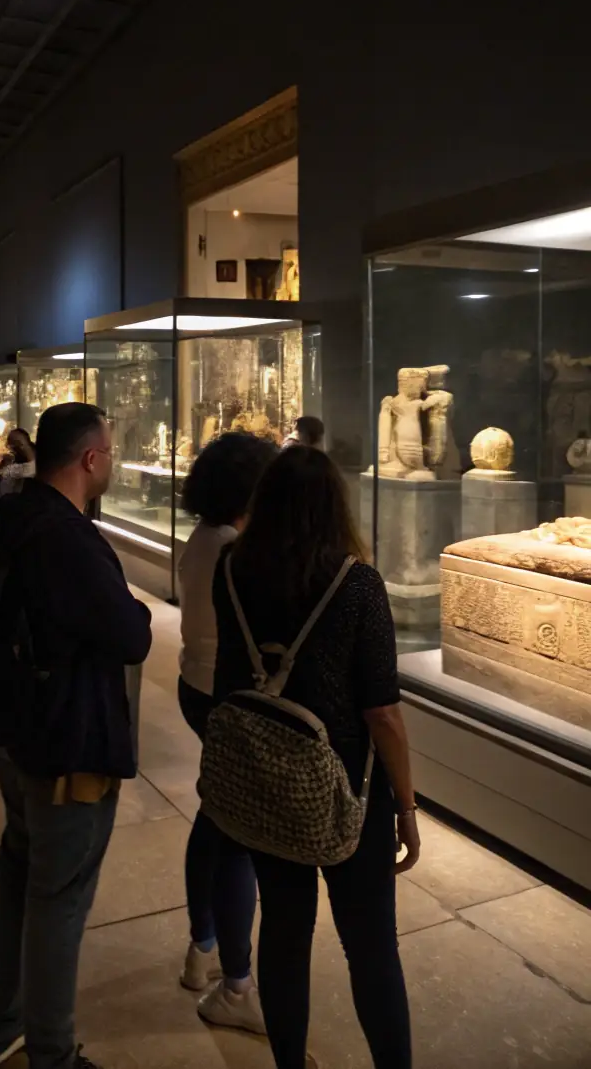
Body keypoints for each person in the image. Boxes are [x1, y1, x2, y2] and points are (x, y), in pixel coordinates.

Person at [213, 446, 419, 1069]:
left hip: (265, 778)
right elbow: (381, 712)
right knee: (371, 946)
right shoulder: (356, 584)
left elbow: (230, 677)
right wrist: (406, 806)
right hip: (348, 787)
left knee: (282, 933)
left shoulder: (231, 568)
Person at [0, 403, 153, 1069]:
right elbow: (131, 635)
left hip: (18, 733)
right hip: (64, 742)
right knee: (57, 901)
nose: (111, 459)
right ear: (90, 459)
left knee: (18, 875)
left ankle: (0, 1030)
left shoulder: (13, 514)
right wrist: (129, 606)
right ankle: (50, 1052)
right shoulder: (67, 539)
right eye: (108, 449)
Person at [176, 432, 276, 1029]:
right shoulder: (239, 549)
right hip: (228, 695)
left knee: (215, 816)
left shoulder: (205, 537)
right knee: (235, 834)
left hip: (198, 685)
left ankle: (203, 946)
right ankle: (236, 987)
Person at [0, 427, 36, 503]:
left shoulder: (33, 465)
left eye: (16, 443)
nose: (10, 446)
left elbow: (30, 470)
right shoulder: (10, 462)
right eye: (10, 443)